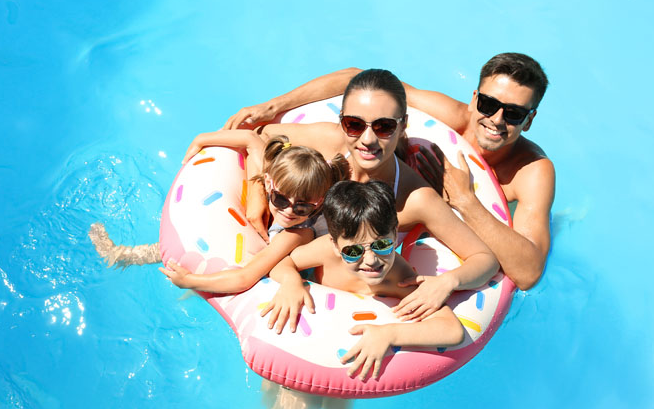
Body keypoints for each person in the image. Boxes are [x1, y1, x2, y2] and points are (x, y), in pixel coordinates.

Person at [225, 53, 554, 290]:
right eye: (488, 105)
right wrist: (274, 107)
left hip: (438, 216)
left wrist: (465, 200)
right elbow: (358, 79)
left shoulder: (531, 171)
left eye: (513, 113)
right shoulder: (444, 117)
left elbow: (527, 273)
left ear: (530, 118)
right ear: (474, 99)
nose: (496, 119)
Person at [255, 180, 464, 409]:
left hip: (344, 361)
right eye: (353, 252)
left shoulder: (399, 276)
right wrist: (292, 283)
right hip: (305, 349)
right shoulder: (323, 251)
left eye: (383, 245)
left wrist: (390, 333)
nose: (370, 260)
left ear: (396, 235)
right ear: (336, 246)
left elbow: (452, 330)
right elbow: (281, 262)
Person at [243, 69, 498, 331]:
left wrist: (446, 282)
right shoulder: (330, 143)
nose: (367, 139)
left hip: (345, 292)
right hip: (288, 267)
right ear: (342, 122)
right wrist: (257, 197)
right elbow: (260, 136)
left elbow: (485, 259)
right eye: (354, 124)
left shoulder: (415, 199)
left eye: (384, 127)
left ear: (403, 125)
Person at [160, 132, 350, 294]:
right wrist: (201, 139)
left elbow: (245, 277)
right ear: (268, 183)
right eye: (280, 200)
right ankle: (139, 254)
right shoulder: (278, 179)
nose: (289, 211)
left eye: (303, 207)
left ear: (320, 201)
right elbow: (251, 139)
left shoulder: (299, 233)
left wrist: (189, 281)